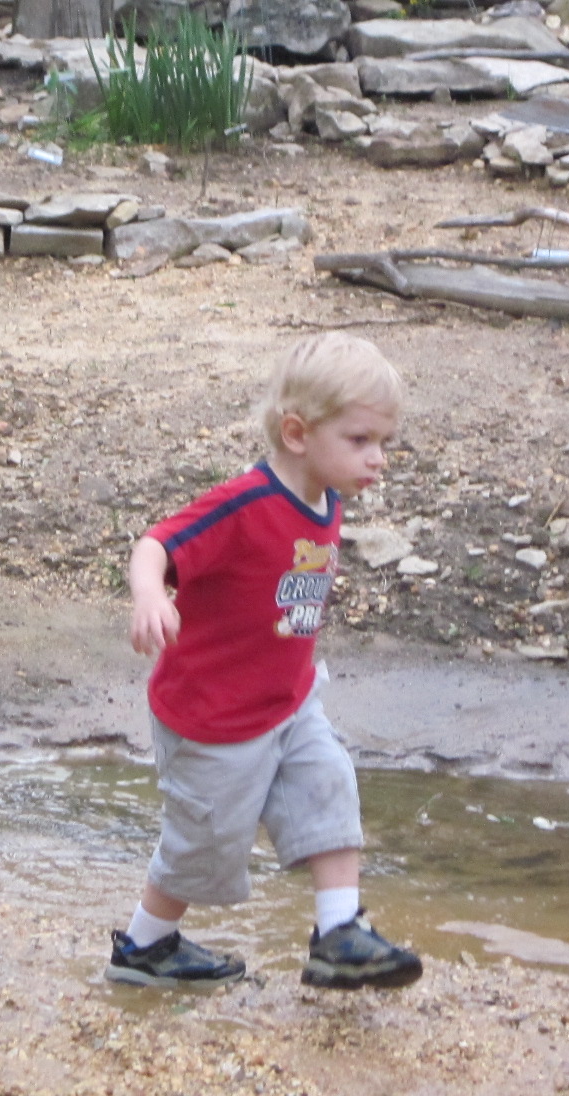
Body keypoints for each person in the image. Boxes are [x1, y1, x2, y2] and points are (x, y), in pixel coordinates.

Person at [105, 332, 423, 992]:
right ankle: (145, 946)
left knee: (328, 783)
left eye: (384, 441)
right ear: (297, 433)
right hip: (213, 717)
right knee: (204, 844)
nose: (378, 458)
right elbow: (155, 544)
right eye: (360, 440)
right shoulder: (243, 504)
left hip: (288, 700)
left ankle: (339, 933)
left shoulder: (326, 498)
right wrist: (149, 597)